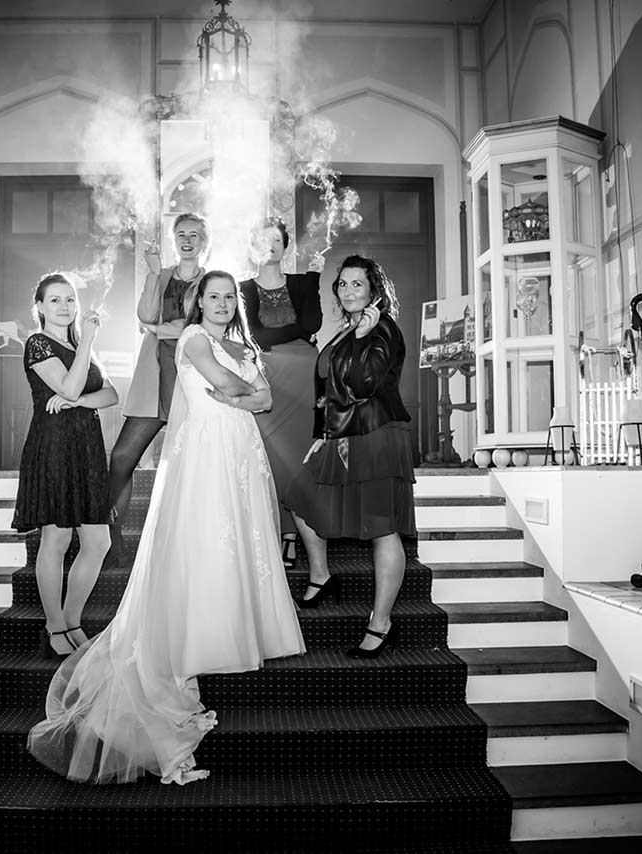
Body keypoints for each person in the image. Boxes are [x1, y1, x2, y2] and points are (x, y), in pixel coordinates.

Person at [27, 270, 306, 785]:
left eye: (228, 297)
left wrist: (246, 393)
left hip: (239, 453)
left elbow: (264, 399)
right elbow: (231, 385)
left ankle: (226, 623)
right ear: (198, 301)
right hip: (204, 456)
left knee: (235, 547)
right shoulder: (196, 339)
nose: (221, 303)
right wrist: (245, 390)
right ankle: (173, 636)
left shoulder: (241, 342)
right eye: (212, 296)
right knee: (200, 542)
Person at [284, 255, 416, 658]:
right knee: (298, 497)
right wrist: (318, 435)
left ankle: (381, 622)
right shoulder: (344, 330)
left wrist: (364, 337)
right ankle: (321, 576)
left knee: (381, 528)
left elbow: (365, 384)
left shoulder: (383, 329)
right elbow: (327, 391)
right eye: (342, 284)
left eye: (357, 284)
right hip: (340, 437)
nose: (348, 291)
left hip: (376, 437)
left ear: (374, 290)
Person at [11, 273, 118, 658]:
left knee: (98, 540)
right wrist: (87, 345)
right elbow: (70, 386)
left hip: (86, 448)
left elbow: (109, 395)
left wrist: (77, 401)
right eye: (55, 300)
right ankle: (55, 626)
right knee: (56, 538)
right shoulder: (37, 344)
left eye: (70, 299)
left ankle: (73, 620)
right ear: (39, 306)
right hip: (53, 446)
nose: (65, 306)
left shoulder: (79, 346)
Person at [105, 212, 208, 565]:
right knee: (120, 459)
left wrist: (165, 329)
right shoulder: (161, 276)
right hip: (155, 377)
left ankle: (195, 547)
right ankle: (110, 538)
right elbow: (146, 317)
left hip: (192, 381)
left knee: (196, 470)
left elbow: (201, 328)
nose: (187, 239)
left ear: (204, 241)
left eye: (195, 234)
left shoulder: (212, 282)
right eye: (181, 233)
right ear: (173, 239)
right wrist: (152, 273)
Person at [238, 218, 324, 566]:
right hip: (267, 375)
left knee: (299, 455)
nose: (270, 244)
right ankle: (274, 531)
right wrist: (294, 334)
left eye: (277, 239)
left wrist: (315, 281)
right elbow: (254, 335)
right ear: (253, 247)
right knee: (270, 456)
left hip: (304, 373)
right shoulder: (241, 288)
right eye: (263, 239)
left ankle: (292, 535)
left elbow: (312, 325)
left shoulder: (304, 283)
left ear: (285, 247)